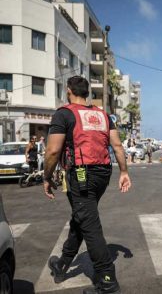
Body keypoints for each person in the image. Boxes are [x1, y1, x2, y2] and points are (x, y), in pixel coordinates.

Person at [43, 76, 131, 294]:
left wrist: (46, 177)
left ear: (69, 91)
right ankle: (62, 263)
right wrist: (124, 171)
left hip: (81, 174)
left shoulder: (64, 113)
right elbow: (117, 145)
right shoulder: (103, 115)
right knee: (82, 216)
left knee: (89, 223)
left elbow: (53, 151)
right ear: (87, 92)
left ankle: (107, 280)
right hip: (103, 172)